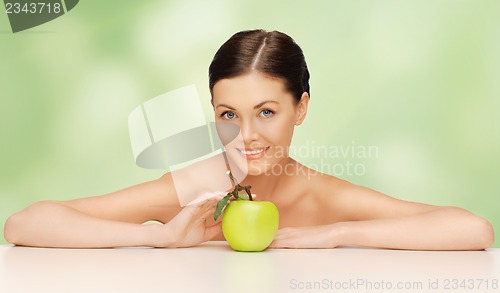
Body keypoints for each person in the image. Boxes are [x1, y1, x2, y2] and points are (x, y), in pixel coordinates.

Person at [4, 29, 494, 250]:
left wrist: (337, 233)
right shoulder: (198, 187)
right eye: (228, 114)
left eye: (266, 112)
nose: (248, 136)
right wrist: (157, 235)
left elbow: (473, 231)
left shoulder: (320, 195)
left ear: (301, 108)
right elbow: (26, 224)